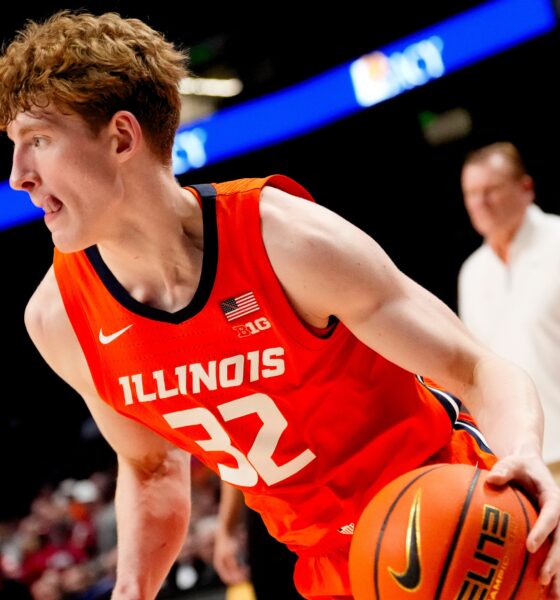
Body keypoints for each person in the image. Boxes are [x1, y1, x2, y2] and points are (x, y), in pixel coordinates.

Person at [0, 10, 559, 600]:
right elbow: (150, 467)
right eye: (14, 146)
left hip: (454, 518)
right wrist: (131, 591)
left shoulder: (283, 240)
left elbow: (474, 367)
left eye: (38, 141)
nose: (17, 176)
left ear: (120, 137)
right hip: (328, 572)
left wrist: (524, 453)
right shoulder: (59, 318)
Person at [458, 141, 560, 485]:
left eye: (491, 190)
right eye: (471, 193)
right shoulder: (472, 273)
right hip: (519, 465)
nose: (480, 203)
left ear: (525, 188)